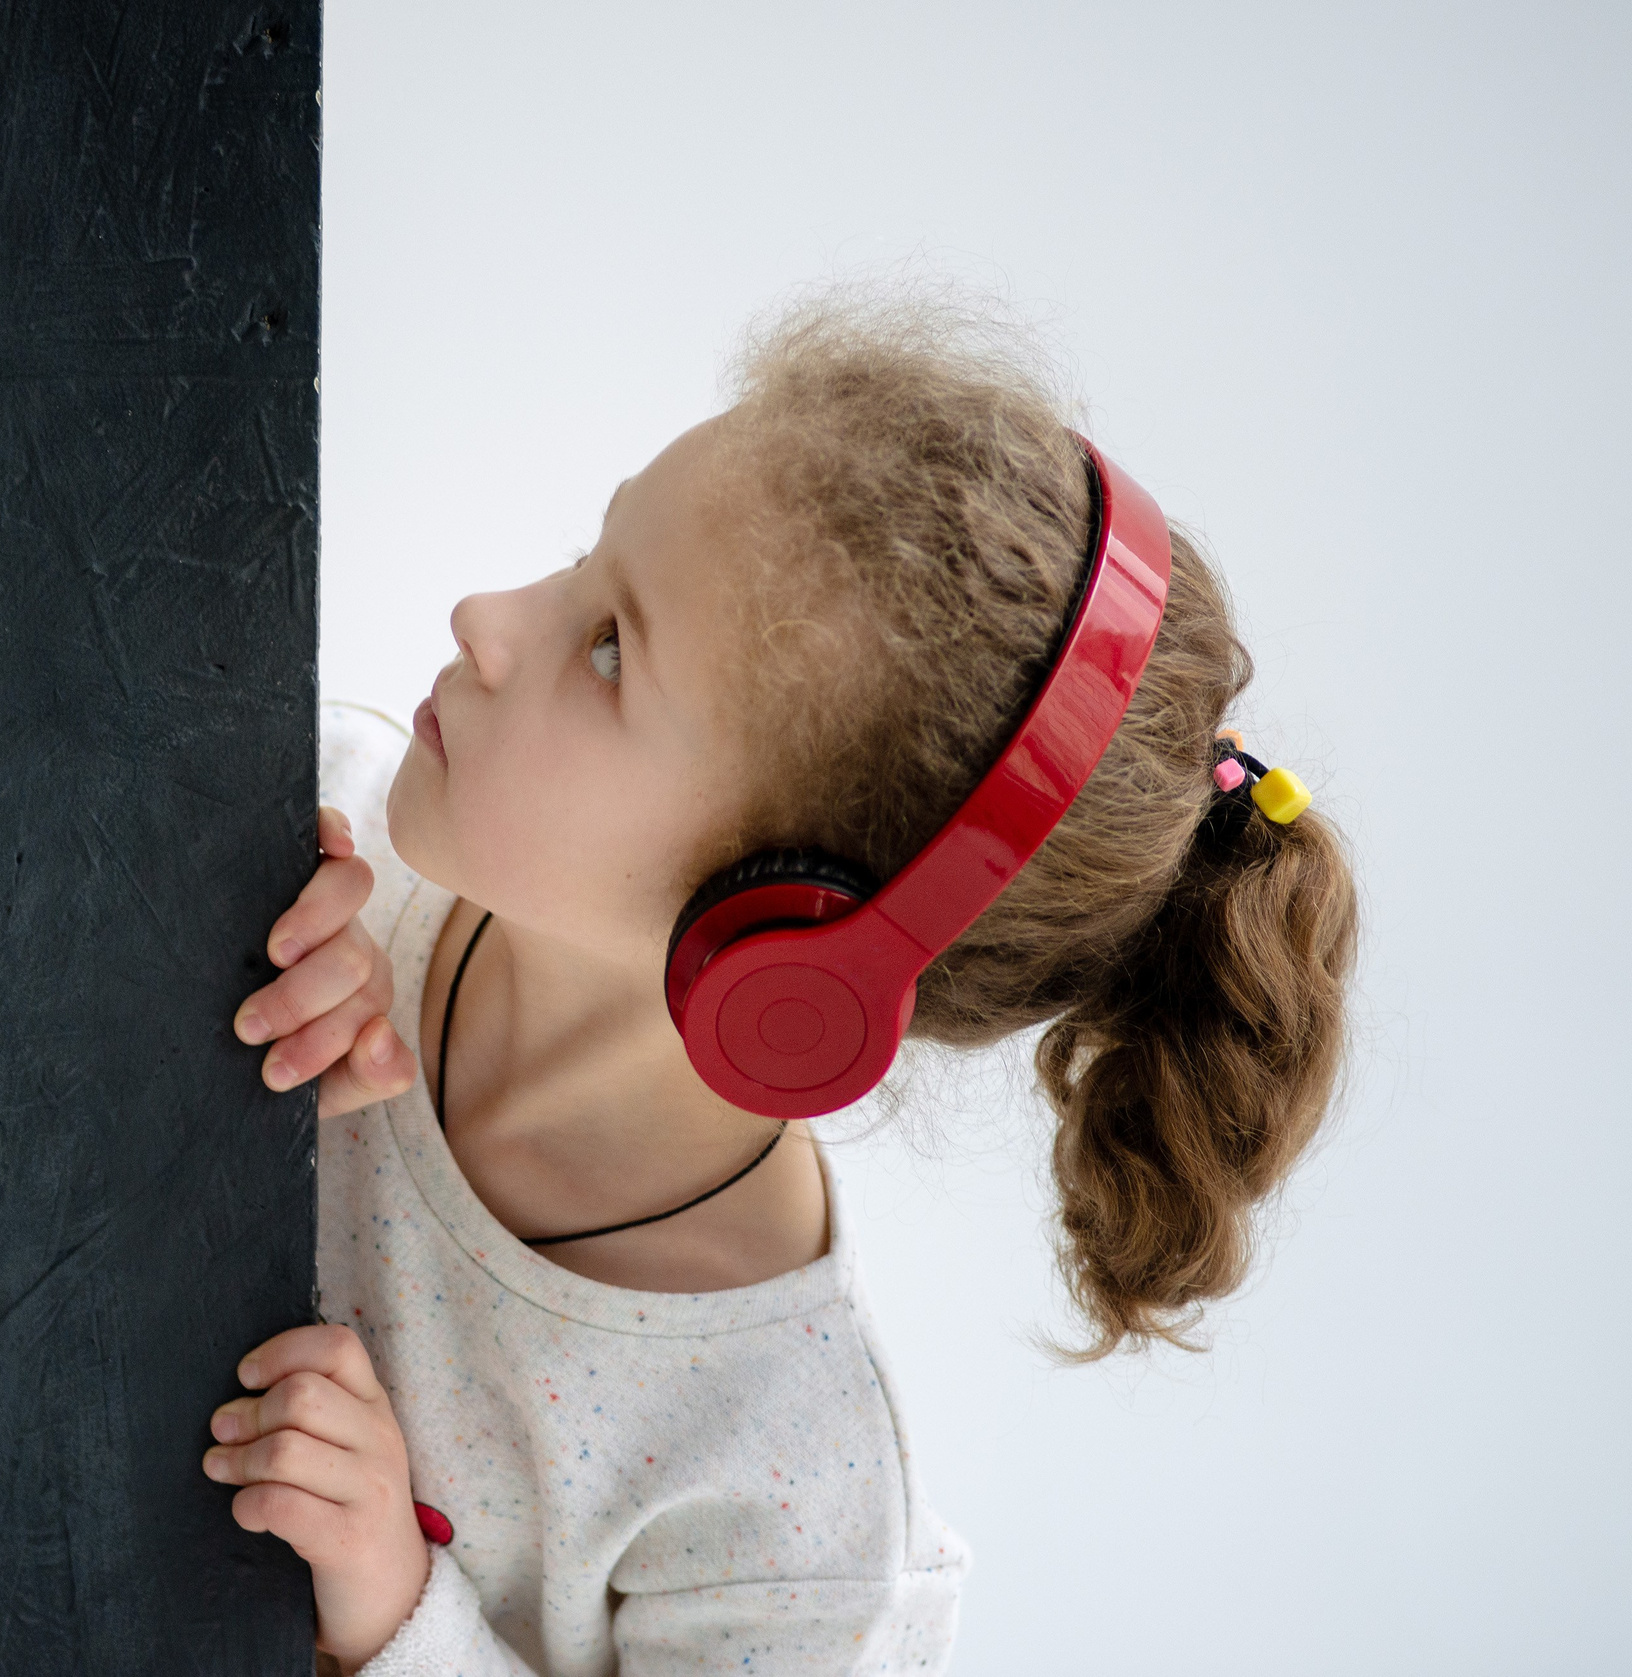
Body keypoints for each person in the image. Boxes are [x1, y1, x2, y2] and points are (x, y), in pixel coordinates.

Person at [198, 289, 1361, 1674]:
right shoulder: (305, 841)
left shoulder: (790, 1484)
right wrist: (183, 986)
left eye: (612, 650)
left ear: (782, 959)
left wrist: (394, 1600)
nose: (488, 617)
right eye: (586, 557)